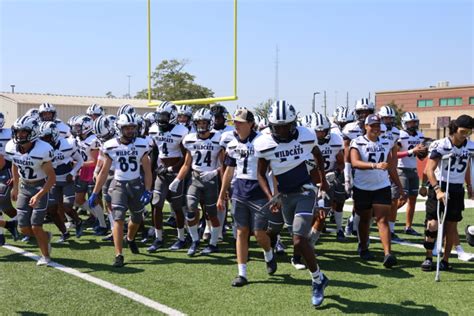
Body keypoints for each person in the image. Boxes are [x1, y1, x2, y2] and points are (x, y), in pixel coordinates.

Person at [254, 100, 329, 307]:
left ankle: (316, 279)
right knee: (290, 235)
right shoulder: (264, 143)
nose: (282, 130)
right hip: (285, 195)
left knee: (298, 239)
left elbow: (318, 155)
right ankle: (321, 279)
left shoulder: (306, 135)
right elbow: (260, 174)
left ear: (293, 123)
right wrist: (271, 195)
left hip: (306, 190)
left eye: (286, 125)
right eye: (277, 126)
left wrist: (323, 181)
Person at [217, 108, 282, 287]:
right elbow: (229, 170)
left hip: (259, 192)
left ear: (251, 124)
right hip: (239, 192)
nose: (236, 125)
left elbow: (273, 169)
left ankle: (268, 252)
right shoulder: (231, 142)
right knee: (241, 232)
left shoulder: (263, 141)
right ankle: (242, 273)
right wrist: (221, 195)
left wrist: (275, 194)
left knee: (259, 233)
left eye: (240, 122)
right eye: (235, 122)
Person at [89, 114, 152, 267]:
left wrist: (148, 190)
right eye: (127, 128)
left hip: (136, 184)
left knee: (137, 218)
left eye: (132, 127)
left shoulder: (142, 144)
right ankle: (119, 254)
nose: (131, 131)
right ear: (119, 128)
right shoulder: (110, 145)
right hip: (118, 185)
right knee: (118, 219)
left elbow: (148, 171)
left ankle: (129, 238)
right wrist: (95, 192)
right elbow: (104, 172)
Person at [349, 114, 404, 267]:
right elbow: (355, 162)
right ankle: (364, 246)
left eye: (377, 126)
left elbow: (391, 167)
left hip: (382, 186)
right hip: (362, 187)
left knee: (382, 220)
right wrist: (375, 165)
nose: (375, 128)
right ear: (365, 126)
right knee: (365, 219)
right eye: (372, 125)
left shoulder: (386, 141)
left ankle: (388, 254)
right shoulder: (358, 142)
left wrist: (400, 187)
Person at [421, 114, 474, 271]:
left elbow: (468, 169)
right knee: (432, 224)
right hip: (441, 185)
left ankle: (445, 260)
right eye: (463, 131)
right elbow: (428, 170)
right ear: (455, 129)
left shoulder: (470, 146)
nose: (465, 135)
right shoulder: (441, 145)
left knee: (451, 226)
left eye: (469, 132)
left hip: (457, 188)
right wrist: (437, 190)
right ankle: (429, 257)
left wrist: (470, 186)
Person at [169, 108, 224, 256]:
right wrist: (177, 179)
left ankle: (213, 243)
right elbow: (187, 164)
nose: (201, 125)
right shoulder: (190, 139)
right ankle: (195, 240)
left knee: (212, 215)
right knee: (191, 211)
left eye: (204, 122)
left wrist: (214, 172)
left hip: (211, 180)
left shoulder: (218, 139)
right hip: (195, 178)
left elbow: (224, 165)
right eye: (198, 122)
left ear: (210, 122)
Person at [5, 115, 56, 266]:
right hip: (24, 186)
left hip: (40, 185)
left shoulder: (43, 149)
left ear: (32, 132)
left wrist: (40, 194)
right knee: (23, 229)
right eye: (18, 131)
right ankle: (45, 236)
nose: (19, 135)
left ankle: (45, 256)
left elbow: (51, 178)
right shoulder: (12, 147)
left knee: (35, 225)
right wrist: (15, 186)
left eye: (23, 132)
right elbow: (15, 163)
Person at [148, 102, 188, 252]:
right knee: (156, 204)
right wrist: (152, 173)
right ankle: (158, 238)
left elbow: (186, 157)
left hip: (176, 172)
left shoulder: (181, 131)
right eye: (159, 116)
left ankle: (181, 238)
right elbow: (155, 153)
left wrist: (172, 168)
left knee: (177, 206)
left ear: (172, 116)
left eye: (164, 116)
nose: (161, 119)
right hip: (161, 172)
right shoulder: (154, 130)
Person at [39, 121, 84, 243]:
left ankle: (78, 221)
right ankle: (64, 232)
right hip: (52, 182)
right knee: (53, 210)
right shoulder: (40, 148)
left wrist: (72, 173)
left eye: (46, 137)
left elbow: (80, 160)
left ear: (54, 135)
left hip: (66, 179)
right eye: (42, 138)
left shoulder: (68, 144)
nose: (44, 140)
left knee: (67, 205)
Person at [309, 113, 345, 243]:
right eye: (317, 131)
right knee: (309, 213)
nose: (320, 134)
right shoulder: (305, 141)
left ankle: (311, 242)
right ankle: (306, 239)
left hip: (327, 181)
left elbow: (341, 162)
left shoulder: (335, 140)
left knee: (322, 213)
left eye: (323, 131)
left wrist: (335, 173)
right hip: (309, 180)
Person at [342, 98, 374, 237]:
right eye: (361, 112)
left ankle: (353, 222)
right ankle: (353, 223)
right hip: (356, 169)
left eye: (367, 112)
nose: (364, 115)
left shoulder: (379, 127)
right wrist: (347, 176)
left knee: (371, 204)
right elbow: (346, 153)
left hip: (373, 170)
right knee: (359, 201)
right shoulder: (350, 128)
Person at [73, 115, 107, 235]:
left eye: (79, 127)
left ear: (87, 127)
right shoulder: (79, 139)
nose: (77, 129)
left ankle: (102, 224)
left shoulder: (93, 140)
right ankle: (99, 216)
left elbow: (95, 161)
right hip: (82, 170)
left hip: (92, 171)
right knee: (78, 200)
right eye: (76, 127)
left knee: (95, 200)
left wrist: (76, 164)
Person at [397, 112, 427, 236]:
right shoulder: (401, 135)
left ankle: (408, 226)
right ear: (404, 123)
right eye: (410, 122)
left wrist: (423, 152)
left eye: (414, 122)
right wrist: (411, 151)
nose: (413, 125)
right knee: (402, 199)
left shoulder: (419, 135)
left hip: (413, 169)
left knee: (413, 199)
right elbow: (395, 154)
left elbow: (420, 157)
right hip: (401, 168)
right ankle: (380, 216)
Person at [378, 105, 404, 242]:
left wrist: (392, 168)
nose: (388, 121)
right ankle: (354, 221)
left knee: (393, 200)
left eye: (390, 118)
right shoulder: (375, 129)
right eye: (385, 118)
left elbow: (393, 151)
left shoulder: (395, 132)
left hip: (388, 168)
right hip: (373, 167)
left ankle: (391, 229)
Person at [0, 112, 19, 245]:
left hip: (7, 169)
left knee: (4, 204)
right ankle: (8, 227)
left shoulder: (8, 134)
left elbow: (1, 160)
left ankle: (24, 223)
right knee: (4, 206)